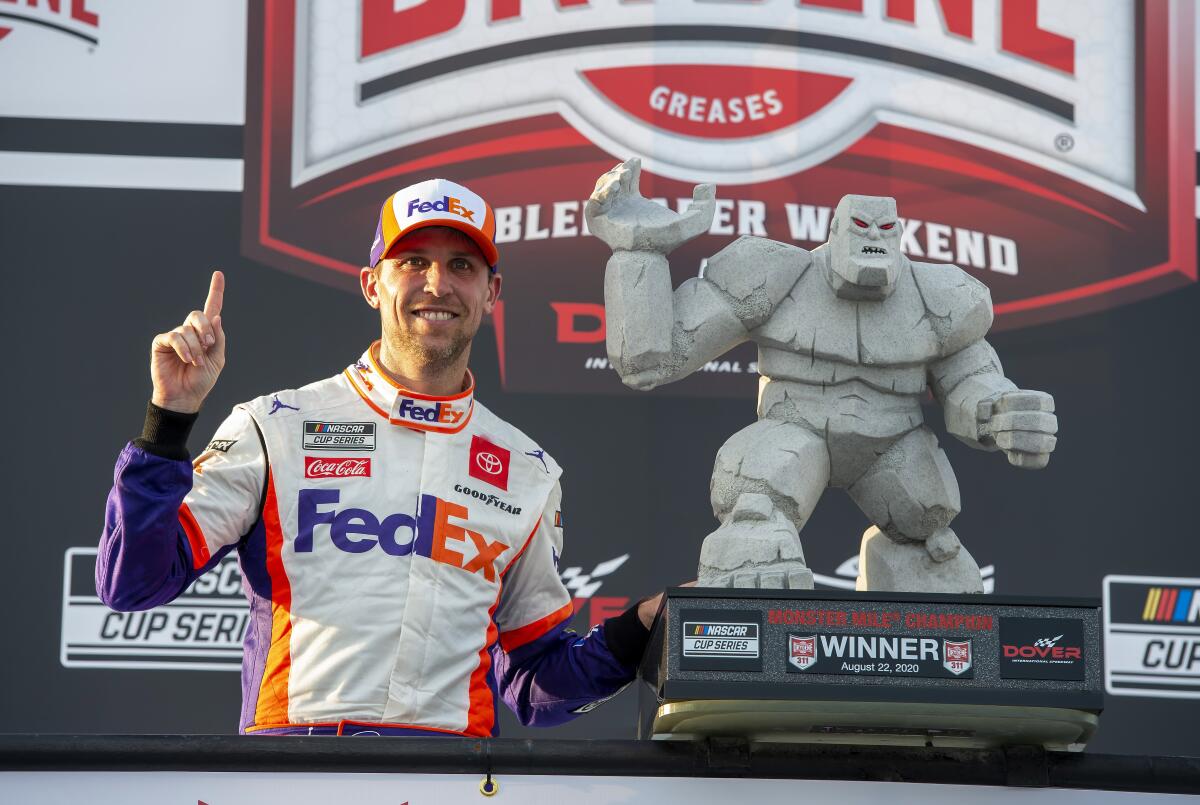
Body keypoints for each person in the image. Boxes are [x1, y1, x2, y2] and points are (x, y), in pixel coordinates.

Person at [98, 178, 661, 737]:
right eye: (413, 262)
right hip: (295, 770)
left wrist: (637, 629)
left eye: (462, 266)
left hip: (454, 779)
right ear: (372, 284)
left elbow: (537, 689)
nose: (437, 284)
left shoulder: (526, 471)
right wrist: (168, 419)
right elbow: (132, 582)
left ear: (492, 292)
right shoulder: (274, 427)